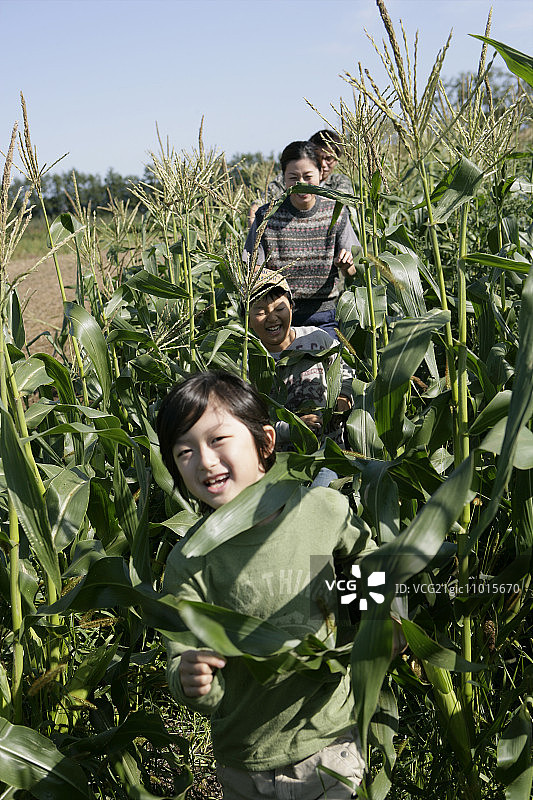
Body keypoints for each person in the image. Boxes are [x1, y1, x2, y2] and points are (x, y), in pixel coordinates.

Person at [157, 370, 372, 799]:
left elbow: (367, 558)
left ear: (265, 443)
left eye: (218, 439)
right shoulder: (191, 560)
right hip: (244, 761)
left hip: (329, 741)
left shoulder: (321, 509)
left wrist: (382, 619)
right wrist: (190, 678)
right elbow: (182, 655)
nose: (205, 460)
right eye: (185, 451)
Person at [244, 140, 358, 338]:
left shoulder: (336, 211)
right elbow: (252, 268)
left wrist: (346, 264)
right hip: (278, 317)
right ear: (283, 178)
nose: (301, 184)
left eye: (308, 176)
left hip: (325, 316)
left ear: (320, 174)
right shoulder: (266, 215)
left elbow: (354, 271)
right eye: (293, 178)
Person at [246, 269, 353, 452]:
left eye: (279, 309)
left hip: (332, 454)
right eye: (261, 311)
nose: (272, 317)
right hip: (285, 462)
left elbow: (346, 368)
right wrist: (291, 429)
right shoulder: (249, 363)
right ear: (247, 319)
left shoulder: (316, 339)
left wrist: (344, 396)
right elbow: (249, 426)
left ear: (291, 307)